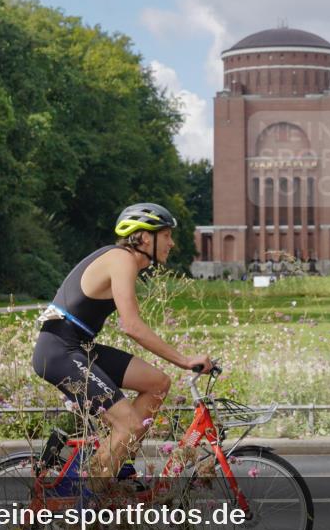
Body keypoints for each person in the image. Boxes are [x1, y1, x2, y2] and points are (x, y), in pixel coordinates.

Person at [32, 203, 213, 488]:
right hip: (59, 351)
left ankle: (109, 463)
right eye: (166, 235)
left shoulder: (124, 262)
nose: (172, 242)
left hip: (78, 348)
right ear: (143, 237)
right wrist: (185, 360)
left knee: (157, 383)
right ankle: (87, 500)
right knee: (127, 424)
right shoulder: (122, 259)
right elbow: (131, 325)